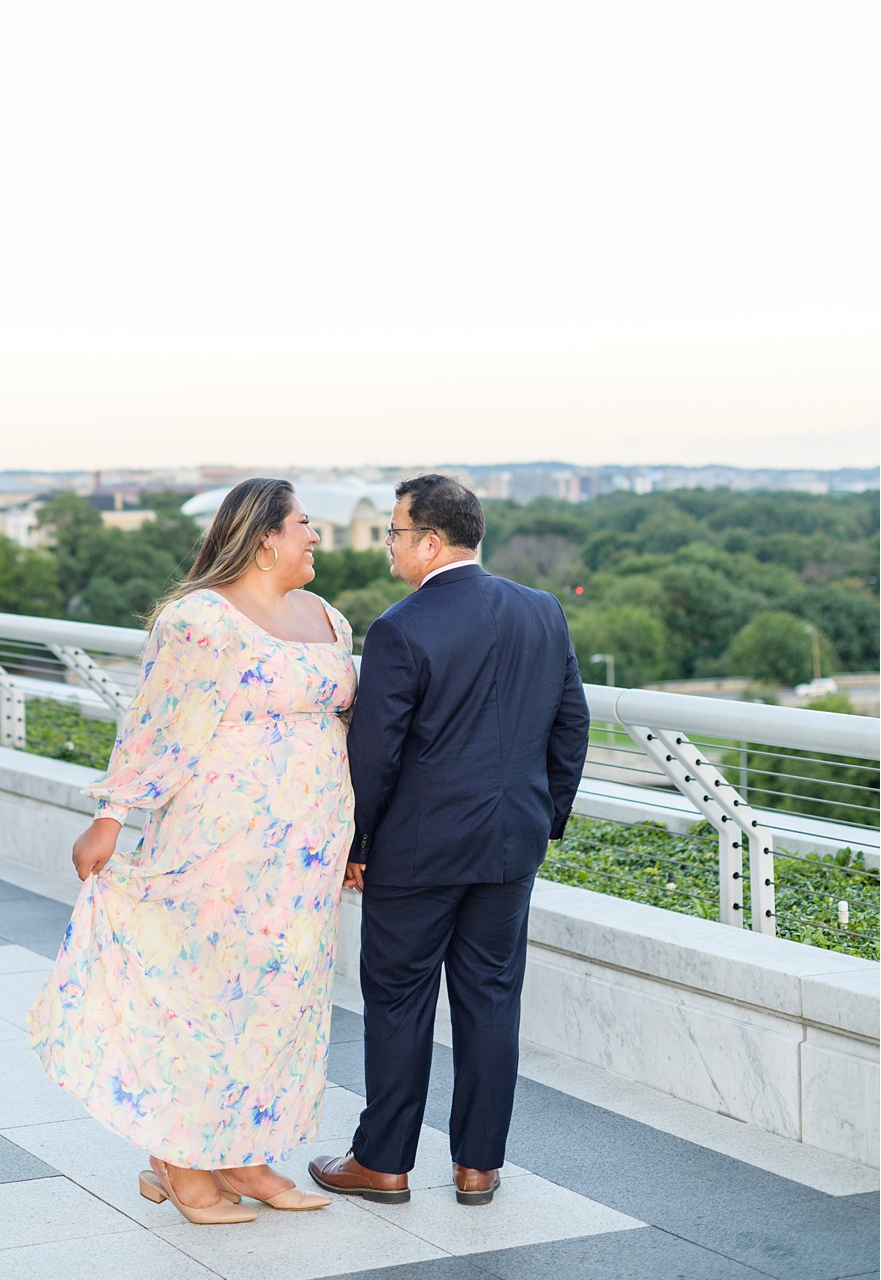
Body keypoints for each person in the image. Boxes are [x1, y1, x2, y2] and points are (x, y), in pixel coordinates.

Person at [29, 477, 351, 1225]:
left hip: (307, 854)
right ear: (265, 535)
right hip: (220, 839)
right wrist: (112, 816)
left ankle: (245, 1155)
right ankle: (179, 1158)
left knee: (281, 1000)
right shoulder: (200, 618)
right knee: (207, 993)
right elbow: (159, 722)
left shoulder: (324, 614)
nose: (315, 536)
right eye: (304, 523)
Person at [308, 473, 590, 1208]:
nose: (391, 546)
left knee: (399, 1002)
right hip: (511, 845)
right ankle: (478, 1167)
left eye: (396, 533)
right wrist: (542, 817)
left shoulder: (401, 627)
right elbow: (571, 725)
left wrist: (356, 843)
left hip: (416, 851)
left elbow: (376, 754)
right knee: (492, 1000)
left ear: (430, 541)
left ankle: (385, 1162)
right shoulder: (542, 611)